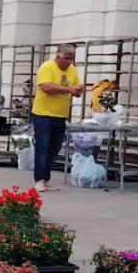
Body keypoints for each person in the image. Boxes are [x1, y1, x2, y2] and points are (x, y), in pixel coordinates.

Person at [30, 46, 82, 192]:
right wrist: (67, 89)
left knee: (54, 149)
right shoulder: (47, 67)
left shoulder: (72, 69)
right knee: (43, 147)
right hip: (43, 114)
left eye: (71, 58)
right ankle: (39, 180)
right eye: (66, 58)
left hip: (61, 115)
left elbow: (76, 86)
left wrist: (78, 90)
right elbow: (46, 87)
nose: (69, 61)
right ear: (58, 56)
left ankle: (46, 179)